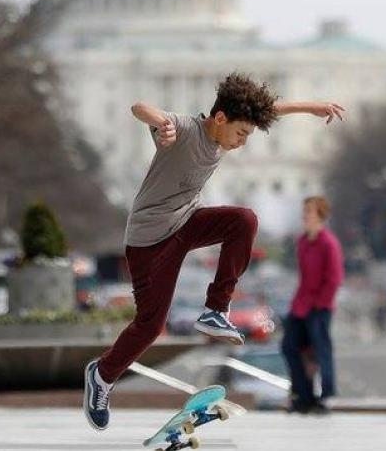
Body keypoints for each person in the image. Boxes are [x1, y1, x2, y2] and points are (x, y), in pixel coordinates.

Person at [84, 72, 345, 431]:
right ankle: (102, 375)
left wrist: (310, 107)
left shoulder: (225, 132)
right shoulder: (187, 129)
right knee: (150, 324)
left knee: (243, 221)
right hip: (150, 240)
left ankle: (215, 309)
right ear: (220, 119)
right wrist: (161, 123)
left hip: (187, 223)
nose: (240, 143)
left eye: (246, 136)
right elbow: (138, 107)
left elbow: (268, 109)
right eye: (240, 134)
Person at [281, 195, 344, 414]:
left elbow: (334, 278)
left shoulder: (328, 243)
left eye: (309, 211)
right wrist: (296, 305)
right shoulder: (302, 242)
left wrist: (320, 304)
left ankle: (326, 396)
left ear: (320, 216)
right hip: (301, 305)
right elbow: (304, 277)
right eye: (304, 211)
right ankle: (303, 395)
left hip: (319, 307)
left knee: (320, 350)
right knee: (289, 347)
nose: (304, 215)